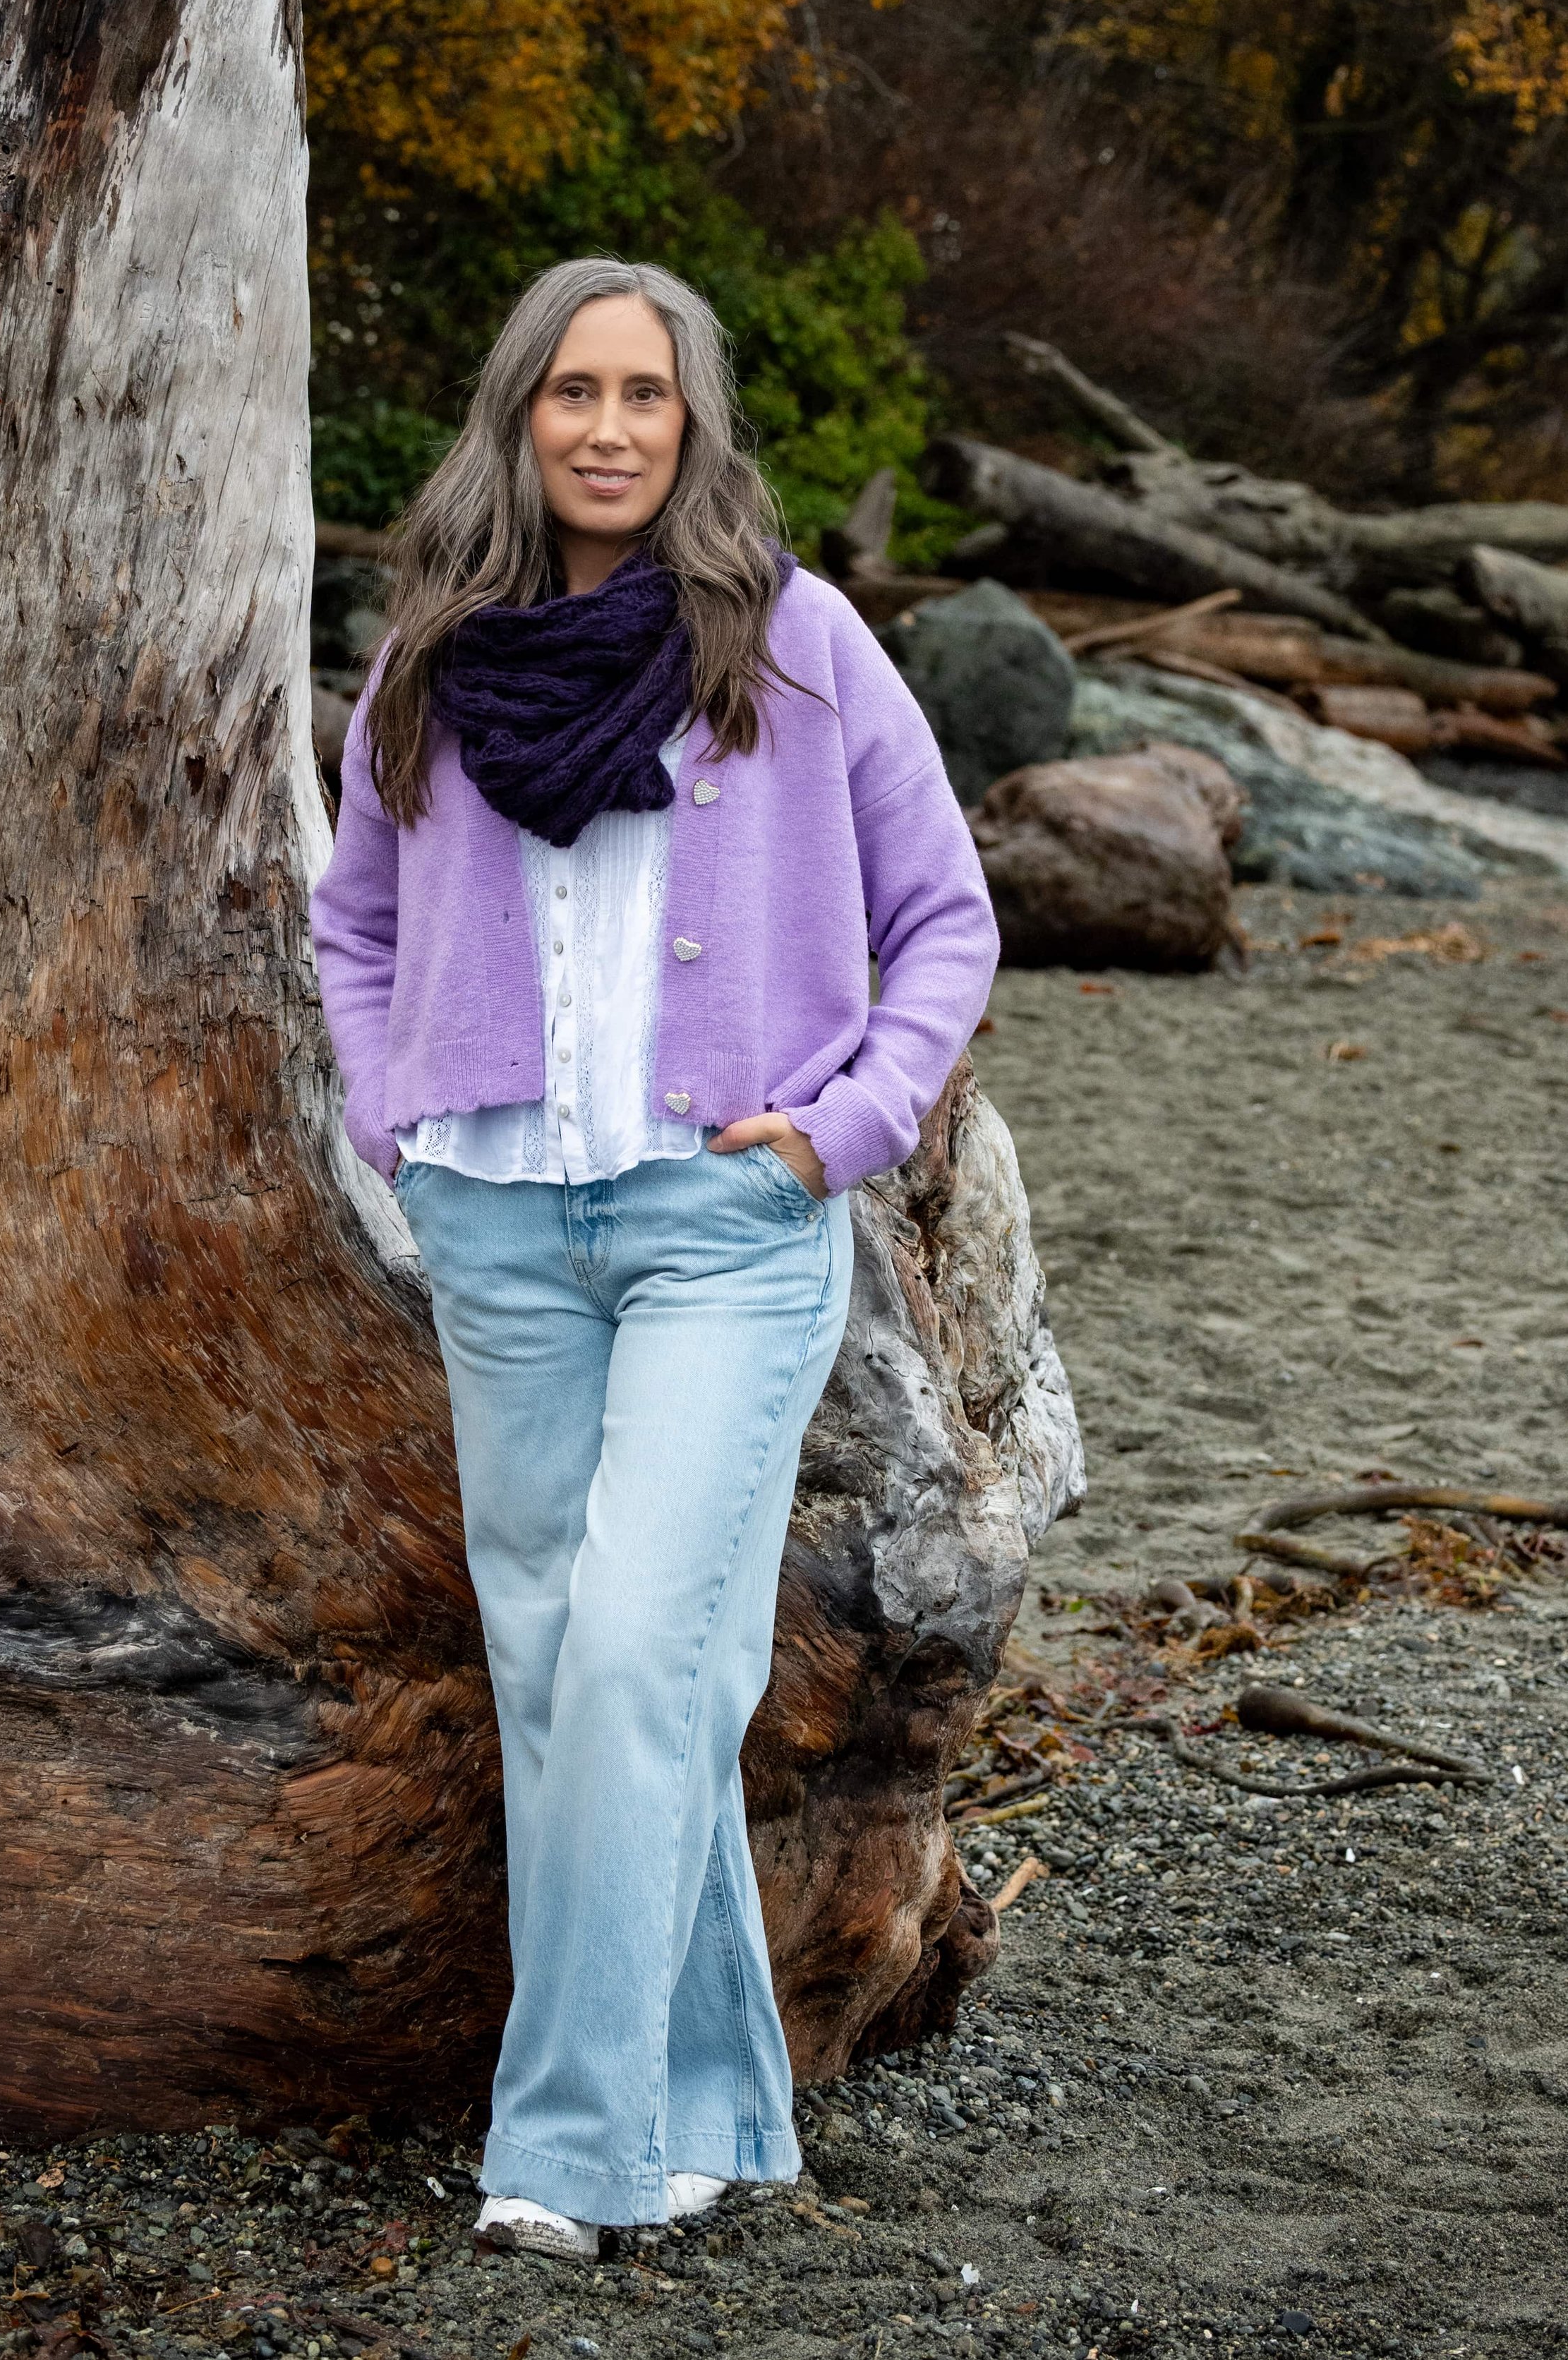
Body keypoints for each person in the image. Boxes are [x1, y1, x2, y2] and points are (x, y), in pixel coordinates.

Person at [310, 257, 996, 2260]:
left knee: (628, 1657)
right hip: (500, 1220)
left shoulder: (792, 645)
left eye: (649, 396)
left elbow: (943, 919)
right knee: (574, 1684)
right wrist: (394, 1110)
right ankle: (720, 2111)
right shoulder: (433, 659)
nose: (610, 428)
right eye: (574, 393)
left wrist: (844, 1127)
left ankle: (566, 2144)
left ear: (694, 425)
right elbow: (354, 923)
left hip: (723, 1225)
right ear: (519, 414)